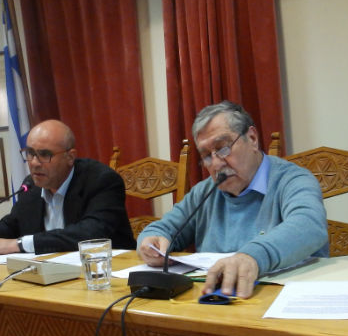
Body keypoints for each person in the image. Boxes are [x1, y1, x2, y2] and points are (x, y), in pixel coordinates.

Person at [137, 101, 329, 298]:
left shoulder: (293, 180)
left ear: (252, 138)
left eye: (223, 148)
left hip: (286, 300)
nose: (216, 164)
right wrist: (151, 243)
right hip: (216, 299)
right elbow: (163, 229)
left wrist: (252, 256)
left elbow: (309, 225)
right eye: (207, 156)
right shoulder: (204, 192)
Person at [0, 119, 135, 256]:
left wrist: (18, 244)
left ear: (70, 157)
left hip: (106, 273)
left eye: (45, 155)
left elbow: (90, 233)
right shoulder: (31, 185)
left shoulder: (101, 180)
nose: (34, 163)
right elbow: (14, 222)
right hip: (51, 273)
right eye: (30, 153)